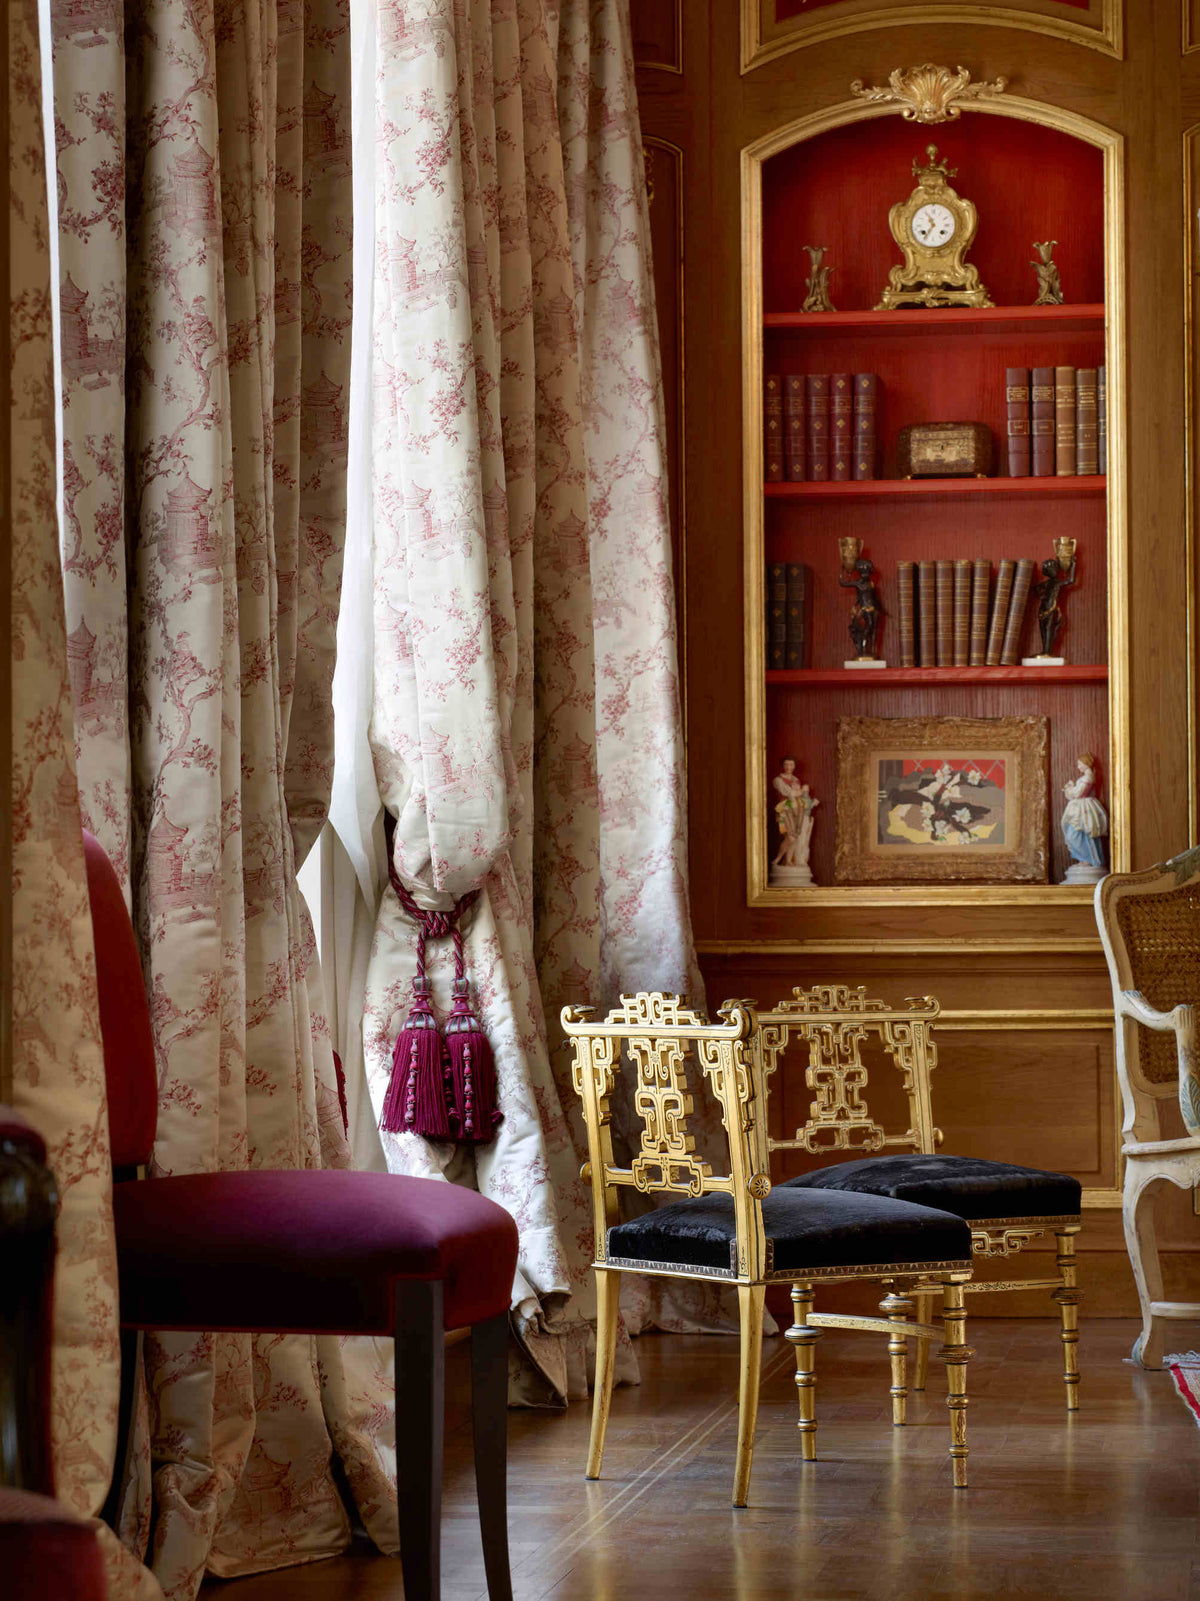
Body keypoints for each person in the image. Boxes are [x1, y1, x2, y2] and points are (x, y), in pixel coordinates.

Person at [1061, 752, 1108, 868]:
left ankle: (1088, 859)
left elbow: (1078, 793)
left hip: (1083, 807)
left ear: (1086, 764)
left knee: (1081, 832)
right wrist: (1071, 789)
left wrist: (1070, 789)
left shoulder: (1087, 777)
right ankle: (1084, 858)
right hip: (1080, 806)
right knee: (1075, 832)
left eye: (1080, 764)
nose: (1078, 767)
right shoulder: (1085, 777)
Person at [772, 758, 818, 869]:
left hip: (797, 810)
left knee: (796, 837)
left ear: (794, 766)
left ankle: (788, 861)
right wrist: (800, 791)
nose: (789, 767)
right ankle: (777, 859)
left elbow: (798, 795)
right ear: (783, 766)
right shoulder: (778, 780)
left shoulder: (796, 780)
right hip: (785, 810)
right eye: (786, 764)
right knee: (790, 837)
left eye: (791, 764)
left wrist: (800, 793)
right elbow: (789, 793)